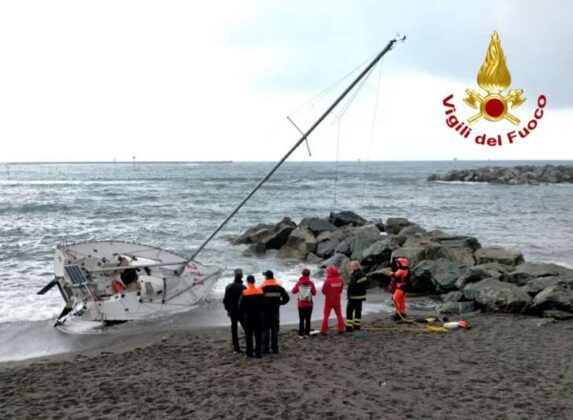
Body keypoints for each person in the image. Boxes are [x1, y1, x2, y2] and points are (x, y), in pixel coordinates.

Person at [259, 270, 290, 354]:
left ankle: (265, 349)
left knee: (265, 331)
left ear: (266, 277)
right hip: (275, 312)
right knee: (274, 331)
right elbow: (287, 298)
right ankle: (275, 348)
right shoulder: (278, 286)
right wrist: (280, 303)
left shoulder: (262, 287)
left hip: (265, 313)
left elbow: (258, 300)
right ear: (272, 277)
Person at [238, 275, 265, 358]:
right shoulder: (260, 291)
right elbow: (264, 304)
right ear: (254, 281)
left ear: (247, 282)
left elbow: (240, 306)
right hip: (258, 315)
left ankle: (249, 353)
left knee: (248, 335)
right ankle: (258, 353)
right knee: (258, 334)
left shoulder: (245, 292)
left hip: (248, 316)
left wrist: (243, 314)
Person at [223, 268, 246, 353]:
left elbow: (225, 300)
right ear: (242, 276)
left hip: (232, 310)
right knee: (246, 328)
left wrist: (227, 310)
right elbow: (246, 301)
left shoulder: (229, 287)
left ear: (234, 275)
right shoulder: (244, 288)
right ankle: (249, 345)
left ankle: (237, 348)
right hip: (242, 311)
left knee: (234, 328)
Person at [292, 268, 317, 338]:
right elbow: (314, 293)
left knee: (301, 319)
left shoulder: (299, 283)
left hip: (301, 304)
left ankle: (300, 334)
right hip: (309, 304)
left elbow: (293, 291)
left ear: (302, 274)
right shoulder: (311, 283)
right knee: (308, 319)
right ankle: (307, 333)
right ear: (309, 274)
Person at [320, 265, 345, 336]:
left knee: (326, 316)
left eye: (327, 272)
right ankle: (341, 329)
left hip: (329, 301)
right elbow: (340, 290)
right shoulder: (340, 280)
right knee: (339, 315)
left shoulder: (327, 281)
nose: (327, 273)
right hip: (337, 300)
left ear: (329, 272)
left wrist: (329, 294)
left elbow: (323, 291)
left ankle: (324, 331)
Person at [346, 261, 368, 332]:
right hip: (361, 297)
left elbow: (351, 285)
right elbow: (363, 284)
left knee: (349, 312)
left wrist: (348, 296)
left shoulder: (355, 275)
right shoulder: (363, 274)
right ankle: (357, 326)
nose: (351, 268)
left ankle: (349, 328)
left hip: (353, 297)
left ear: (354, 267)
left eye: (352, 266)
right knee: (358, 312)